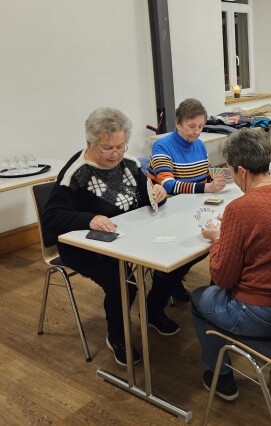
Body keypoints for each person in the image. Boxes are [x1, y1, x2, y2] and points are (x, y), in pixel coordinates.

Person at [43, 108, 187, 366]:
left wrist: (158, 194)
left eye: (121, 146)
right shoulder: (76, 174)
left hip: (130, 237)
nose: (116, 154)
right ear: (90, 143)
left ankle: (153, 310)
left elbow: (146, 198)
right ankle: (117, 335)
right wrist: (88, 219)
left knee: (178, 259)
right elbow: (52, 218)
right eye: (108, 148)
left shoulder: (129, 164)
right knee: (123, 282)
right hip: (85, 246)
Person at [191, 128, 271, 401]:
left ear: (242, 171)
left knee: (199, 299)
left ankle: (221, 377)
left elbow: (222, 277)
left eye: (230, 171)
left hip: (263, 314)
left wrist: (218, 239)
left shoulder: (240, 208)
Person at [148, 98, 227, 302]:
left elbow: (205, 174)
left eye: (200, 126)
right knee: (200, 246)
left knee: (207, 244)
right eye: (192, 126)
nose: (197, 132)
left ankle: (173, 281)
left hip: (192, 208)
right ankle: (165, 287)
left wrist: (217, 177)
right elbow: (168, 185)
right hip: (168, 212)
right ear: (178, 123)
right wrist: (206, 187)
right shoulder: (162, 146)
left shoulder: (198, 144)